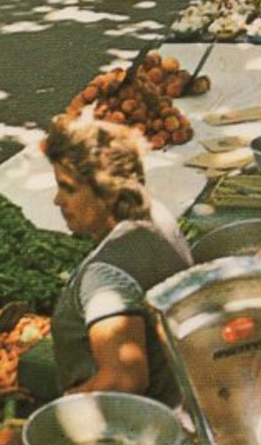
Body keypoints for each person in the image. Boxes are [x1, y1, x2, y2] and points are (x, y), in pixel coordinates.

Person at [39, 112, 193, 406]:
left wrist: (58, 417)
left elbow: (124, 379)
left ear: (108, 192)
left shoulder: (104, 277)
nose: (57, 200)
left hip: (133, 434)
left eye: (68, 187)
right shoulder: (158, 217)